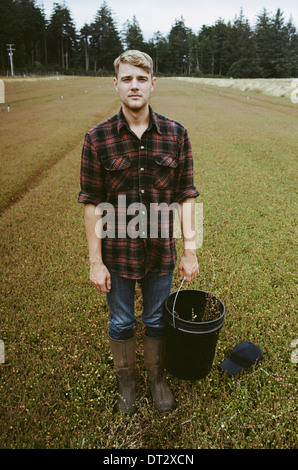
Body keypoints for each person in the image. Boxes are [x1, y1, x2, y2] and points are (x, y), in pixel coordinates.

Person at [78, 50, 199, 415]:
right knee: (121, 321)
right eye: (127, 79)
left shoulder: (177, 134)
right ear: (116, 84)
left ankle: (157, 379)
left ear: (152, 84)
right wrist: (95, 261)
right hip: (117, 254)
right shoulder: (97, 138)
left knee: (158, 318)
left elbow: (187, 195)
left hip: (161, 251)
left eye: (141, 79)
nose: (134, 85)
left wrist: (190, 250)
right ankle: (127, 383)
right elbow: (91, 204)